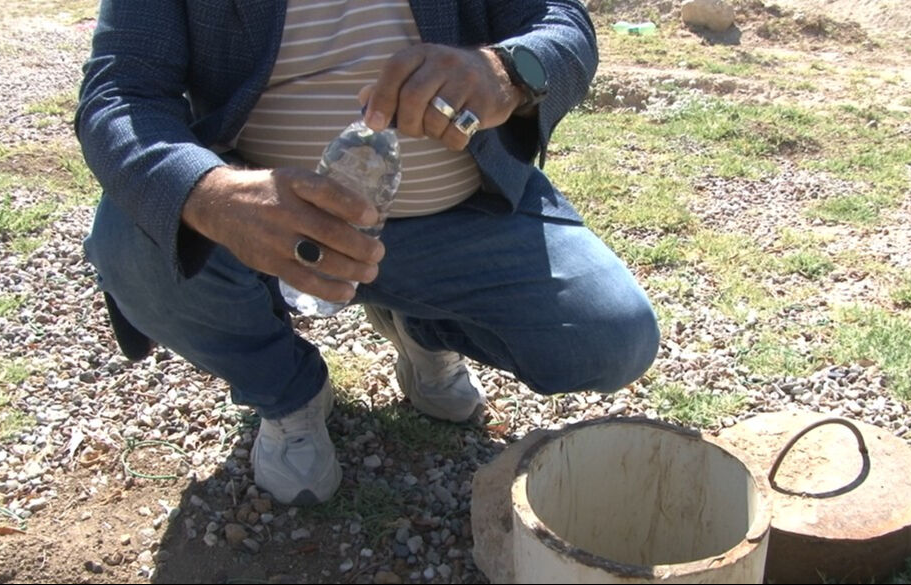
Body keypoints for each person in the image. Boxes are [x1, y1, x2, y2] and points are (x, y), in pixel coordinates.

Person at [76, 0, 660, 506]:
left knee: (611, 339)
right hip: (260, 215)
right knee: (136, 231)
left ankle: (426, 329)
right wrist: (213, 195)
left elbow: (562, 26)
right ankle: (288, 393)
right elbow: (120, 90)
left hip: (463, 216)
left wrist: (506, 71)